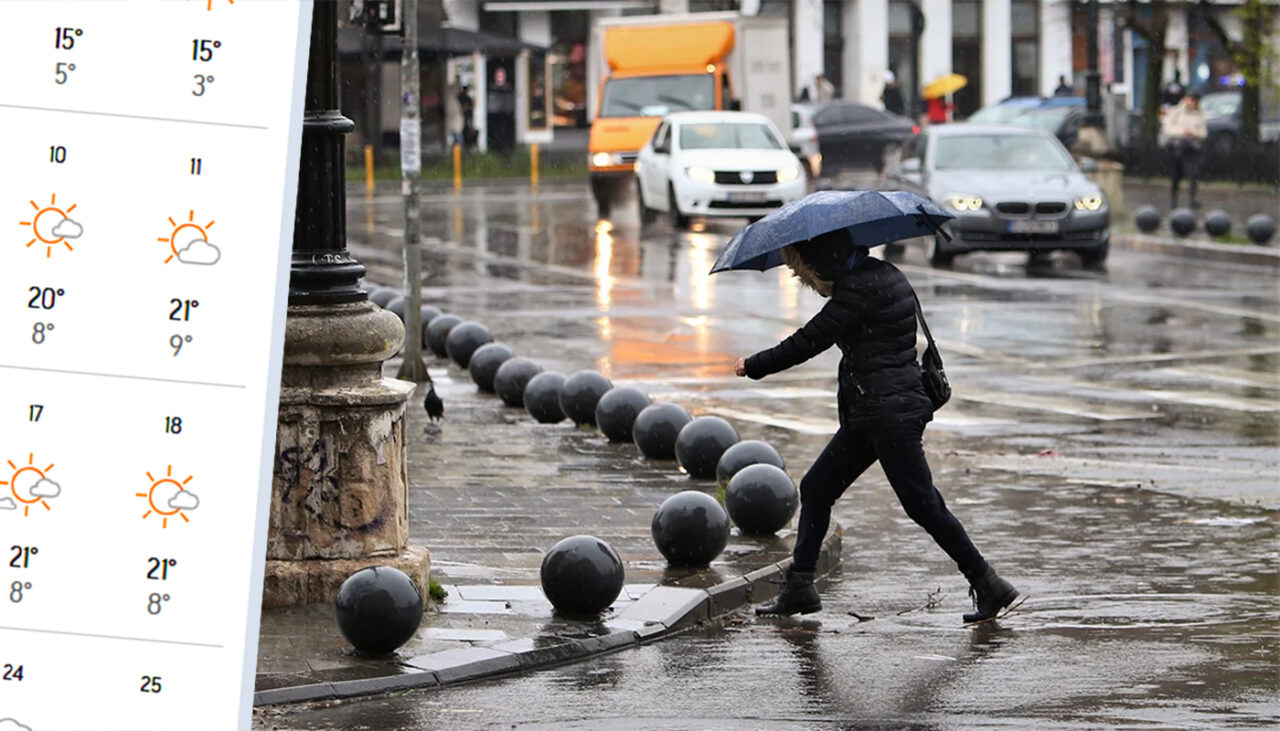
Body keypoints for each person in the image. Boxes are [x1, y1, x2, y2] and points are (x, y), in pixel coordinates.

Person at [734, 228, 1018, 624]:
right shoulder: (884, 274)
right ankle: (800, 585)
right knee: (817, 488)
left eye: (809, 271)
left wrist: (754, 365)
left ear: (825, 259)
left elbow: (809, 341)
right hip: (874, 412)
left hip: (889, 415)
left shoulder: (856, 291)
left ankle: (987, 583)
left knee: (923, 505)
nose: (812, 282)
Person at [1161, 92, 1207, 208]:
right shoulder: (1176, 112)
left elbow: (1203, 133)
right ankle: (1173, 200)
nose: (1191, 102)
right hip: (1178, 148)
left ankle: (1192, 199)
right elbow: (1167, 128)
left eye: (1193, 100)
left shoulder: (1198, 115)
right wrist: (1181, 132)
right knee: (1176, 175)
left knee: (1193, 175)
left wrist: (1192, 132)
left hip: (1192, 149)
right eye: (1189, 99)